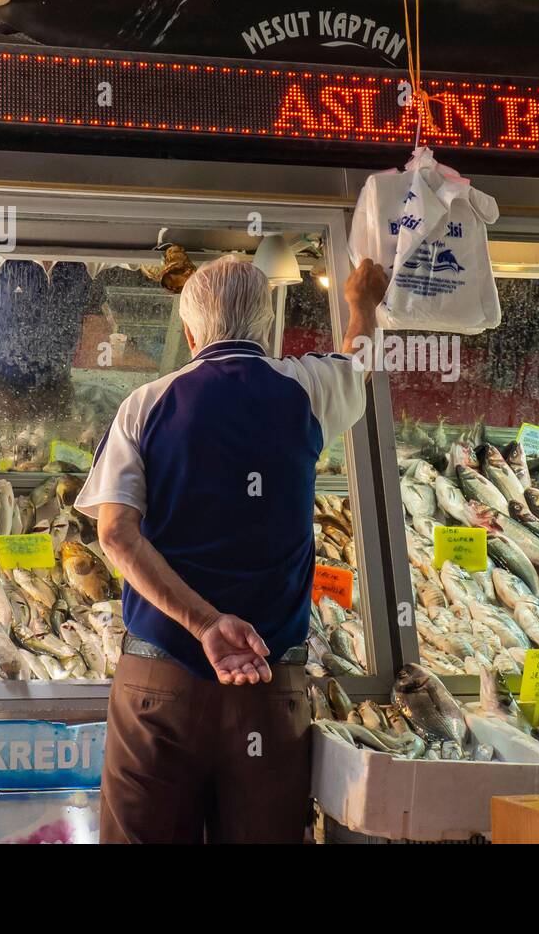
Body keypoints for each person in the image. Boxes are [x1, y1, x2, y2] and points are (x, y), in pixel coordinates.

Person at [75, 255, 388, 844]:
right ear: (268, 330)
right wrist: (363, 304)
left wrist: (205, 624)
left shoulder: (144, 405)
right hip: (268, 688)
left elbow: (116, 533)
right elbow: (362, 363)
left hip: (159, 686)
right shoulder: (306, 388)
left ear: (190, 335)